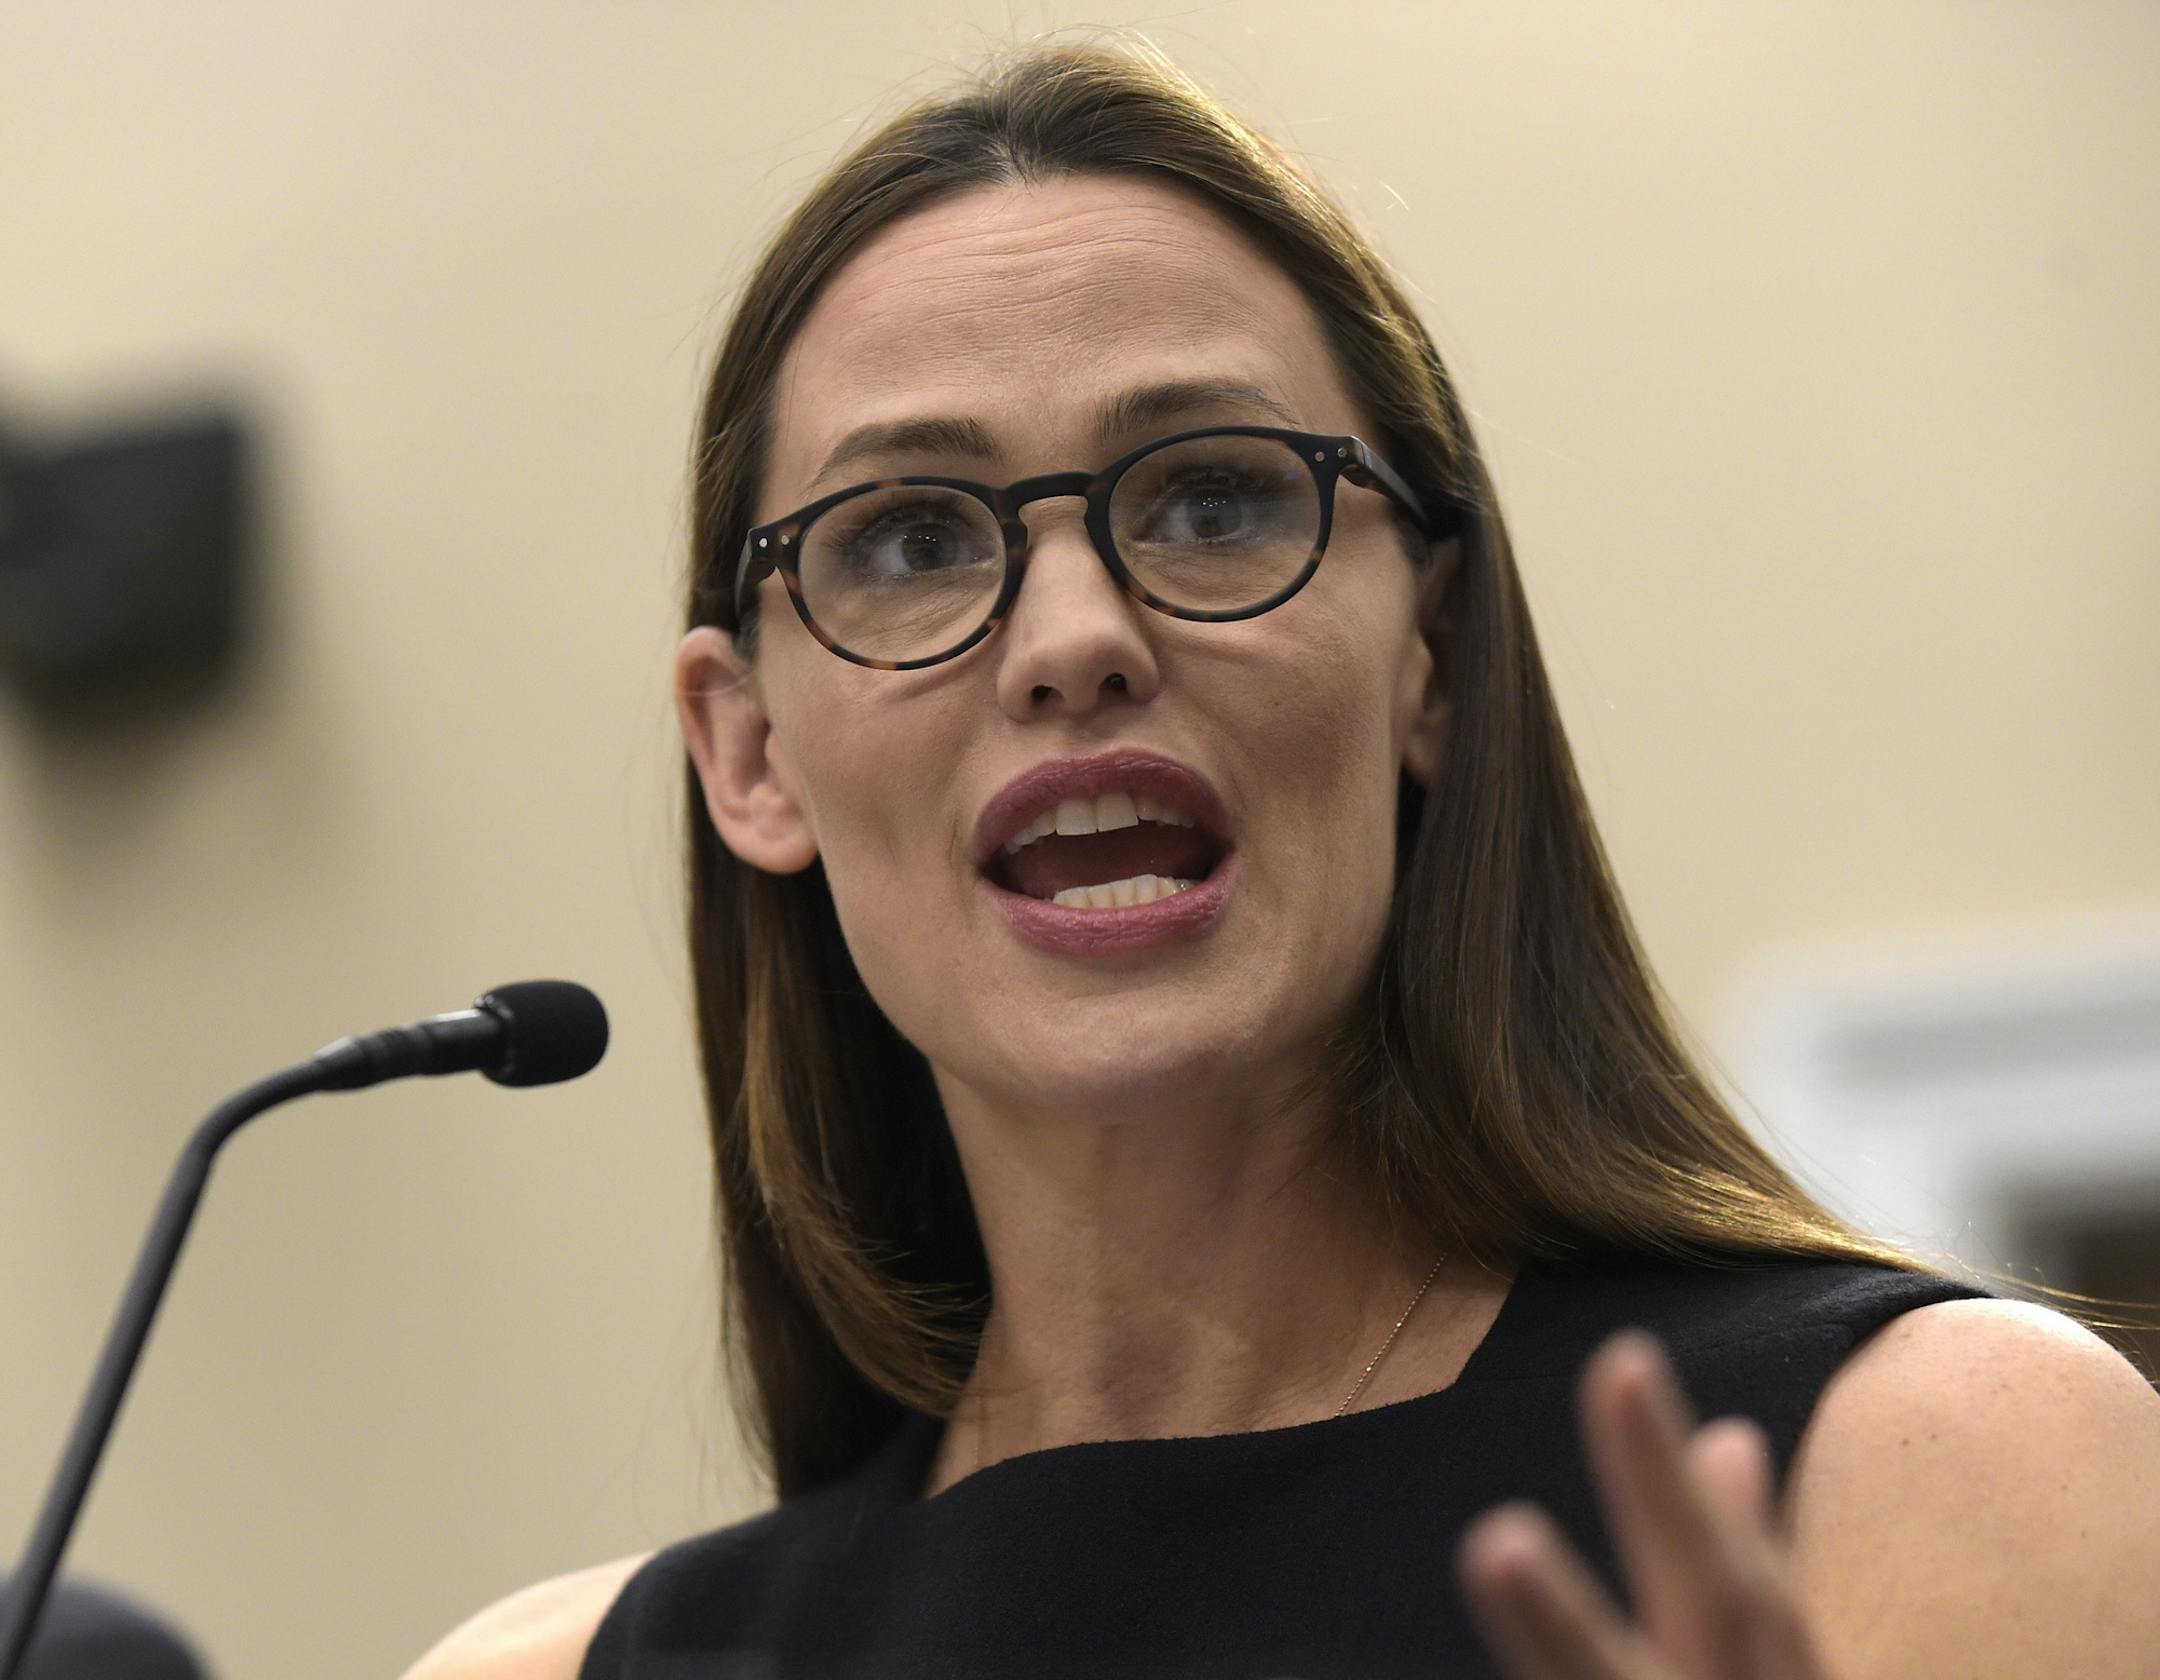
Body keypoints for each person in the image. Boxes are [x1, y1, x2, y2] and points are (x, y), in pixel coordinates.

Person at [404, 39, 2160, 1680]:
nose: (1074, 637)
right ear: (748, 750)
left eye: (1216, 502)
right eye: (913, 538)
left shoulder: (1945, 1470)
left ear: (1436, 659)